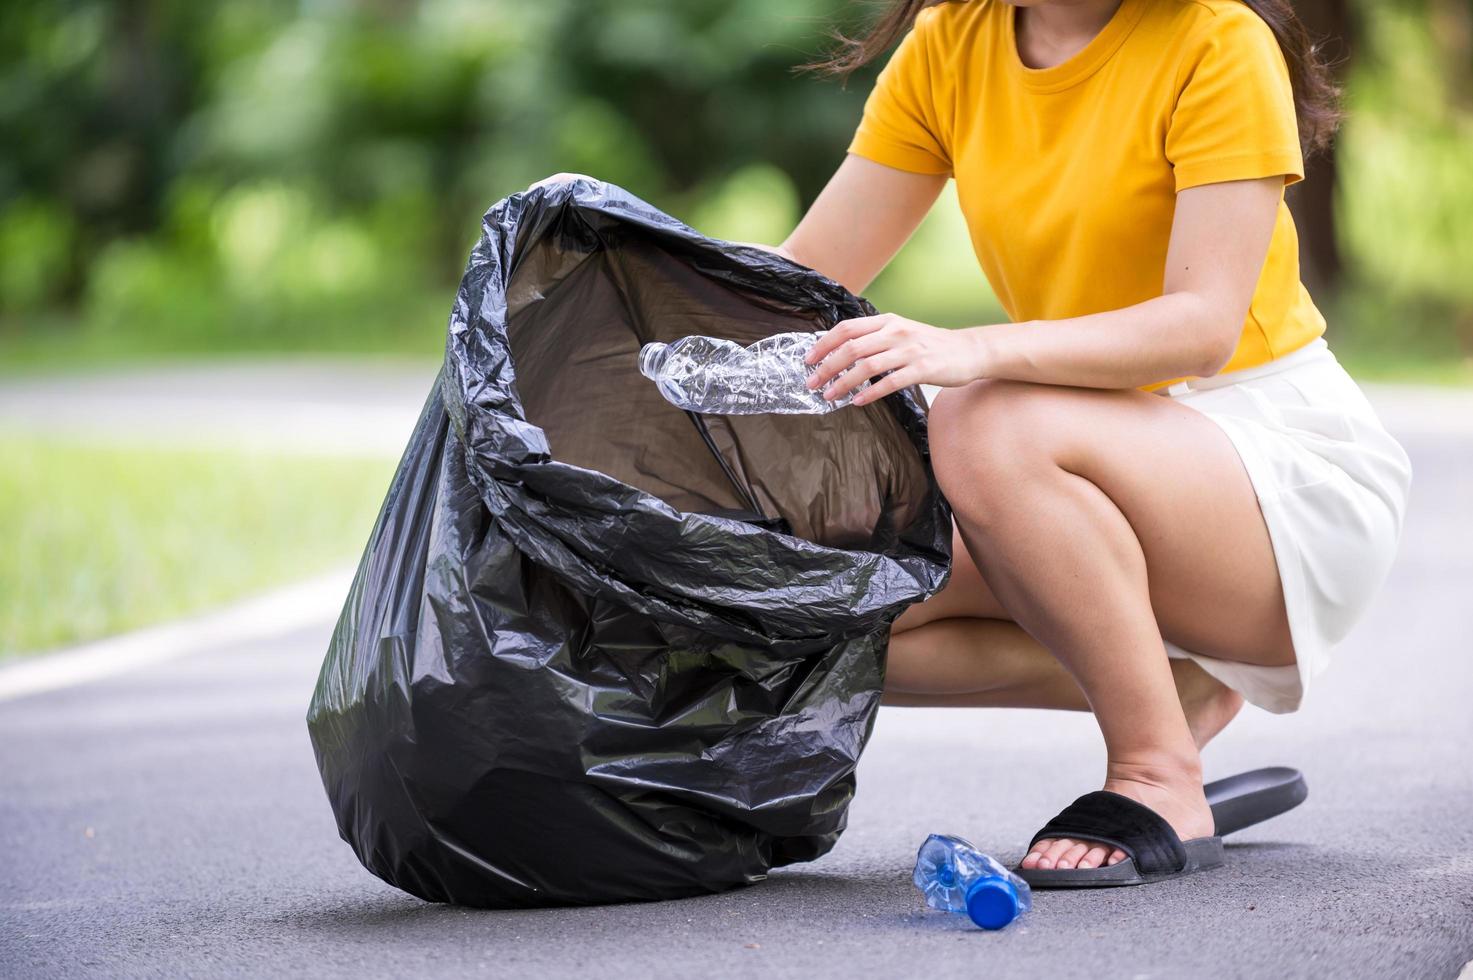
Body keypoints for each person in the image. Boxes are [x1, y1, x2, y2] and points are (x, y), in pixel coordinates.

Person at [777, 0, 1413, 886]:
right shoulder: (950, 43)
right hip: (1083, 458)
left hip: (1266, 469)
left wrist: (968, 352)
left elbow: (1201, 328)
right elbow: (799, 286)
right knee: (797, 606)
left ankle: (1156, 775)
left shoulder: (1215, 39)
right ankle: (1178, 691)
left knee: (985, 417)